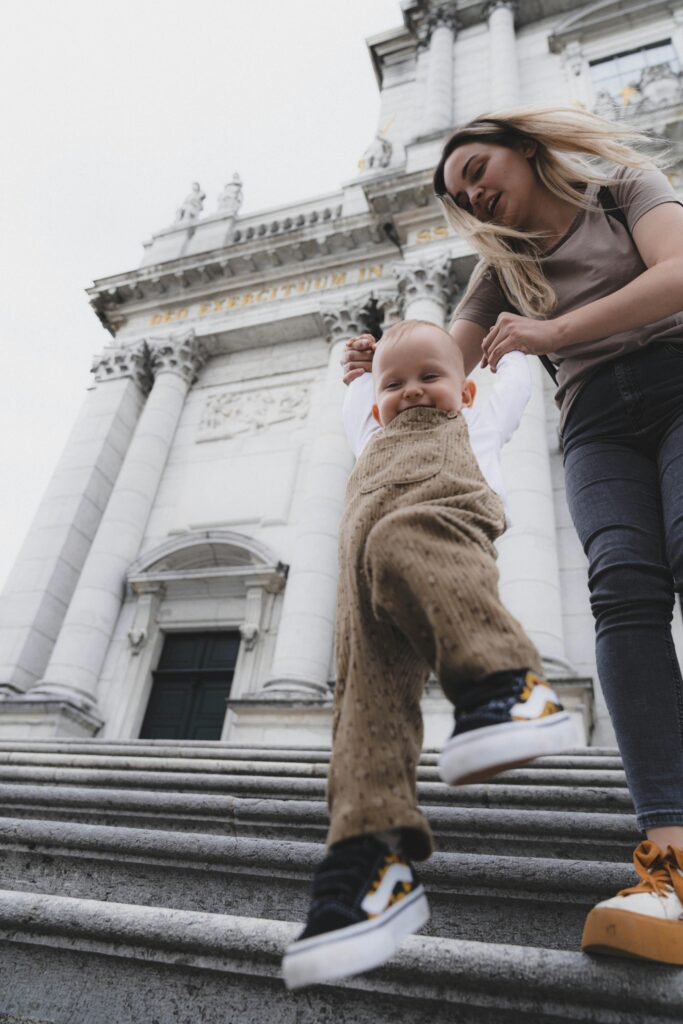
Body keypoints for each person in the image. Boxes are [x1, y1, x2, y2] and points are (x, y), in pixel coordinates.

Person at [338, 105, 683, 966]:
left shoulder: (623, 188)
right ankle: (671, 857)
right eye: (460, 192)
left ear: (526, 152)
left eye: (478, 171)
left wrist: (554, 331)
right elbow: (448, 372)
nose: (473, 194)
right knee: (622, 594)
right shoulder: (497, 270)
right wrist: (384, 372)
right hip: (596, 420)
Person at [282, 319, 575, 990]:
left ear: (466, 390)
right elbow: (357, 389)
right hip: (364, 574)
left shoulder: (482, 415)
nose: (412, 392)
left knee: (399, 535)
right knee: (363, 701)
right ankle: (367, 861)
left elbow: (514, 382)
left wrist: (514, 347)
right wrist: (358, 366)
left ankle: (508, 682)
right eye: (397, 383)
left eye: (430, 378)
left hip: (441, 531)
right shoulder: (368, 428)